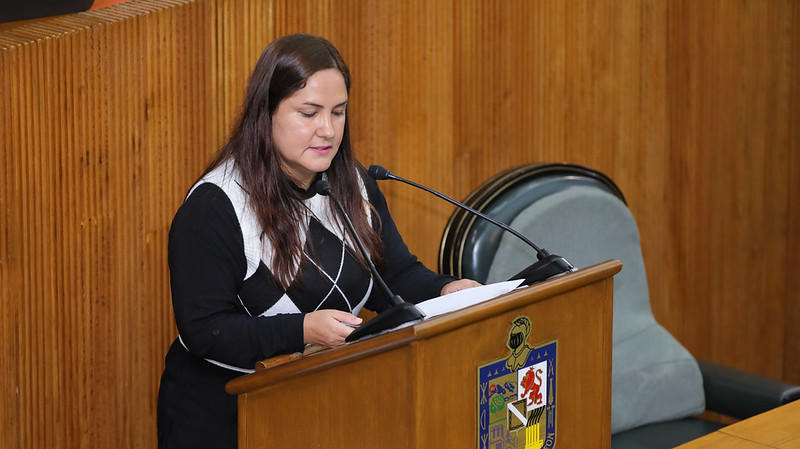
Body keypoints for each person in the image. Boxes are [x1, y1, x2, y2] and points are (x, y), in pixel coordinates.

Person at [156, 33, 479, 449]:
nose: (327, 130)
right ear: (266, 113)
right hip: (224, 417)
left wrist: (446, 290)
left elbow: (393, 275)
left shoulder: (352, 183)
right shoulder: (216, 206)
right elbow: (206, 331)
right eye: (309, 113)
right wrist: (303, 329)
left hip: (322, 404)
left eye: (338, 112)